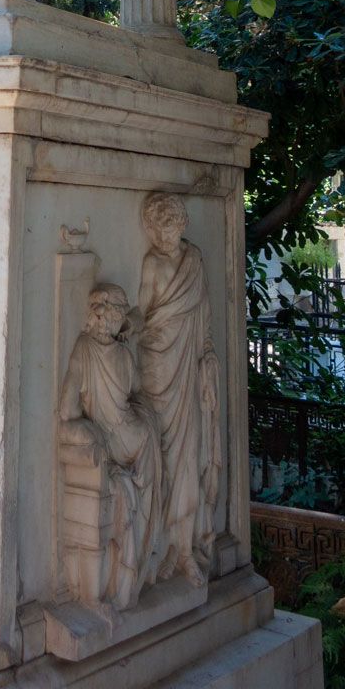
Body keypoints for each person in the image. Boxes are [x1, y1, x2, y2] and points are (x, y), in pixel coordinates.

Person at [58, 282, 163, 610]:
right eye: (121, 312)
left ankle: (133, 570)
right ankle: (137, 564)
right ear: (111, 315)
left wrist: (91, 431)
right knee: (145, 504)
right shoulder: (116, 354)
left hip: (129, 442)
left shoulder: (87, 349)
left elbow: (67, 412)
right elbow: (133, 391)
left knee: (141, 497)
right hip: (135, 442)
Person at [137, 191, 221, 586]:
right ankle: (162, 547)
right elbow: (143, 313)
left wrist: (207, 354)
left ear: (180, 225)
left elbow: (203, 313)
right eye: (158, 227)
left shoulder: (194, 260)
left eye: (170, 226)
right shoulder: (152, 263)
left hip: (188, 365)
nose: (164, 235)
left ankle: (185, 549)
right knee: (163, 458)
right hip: (158, 366)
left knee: (188, 457)